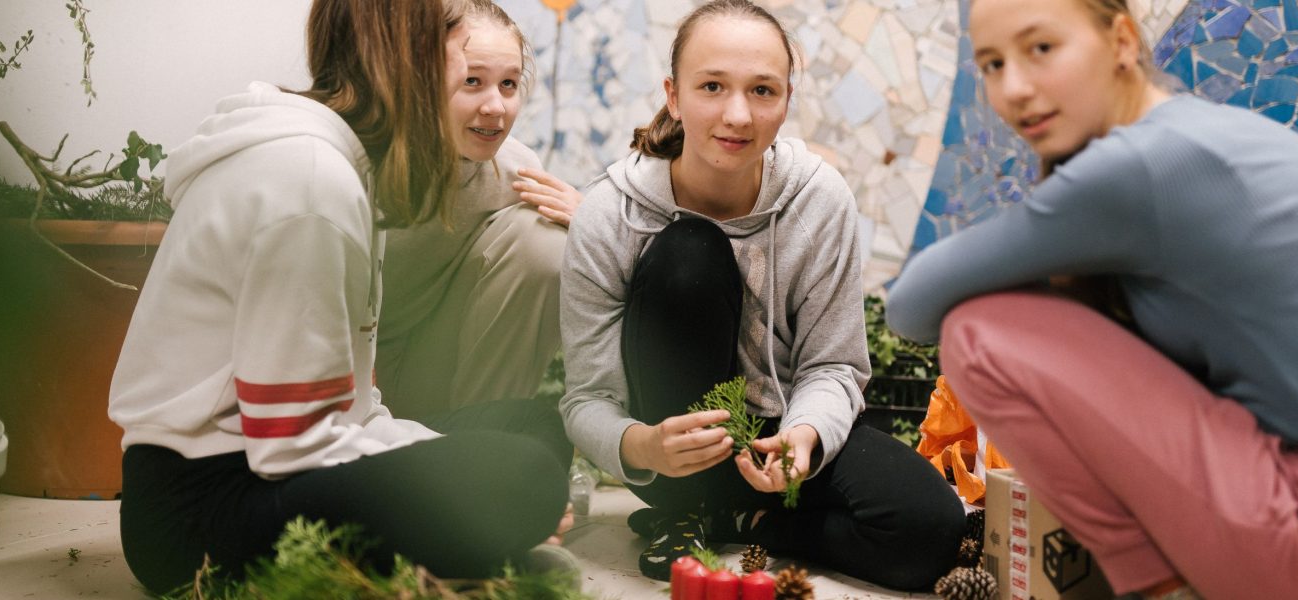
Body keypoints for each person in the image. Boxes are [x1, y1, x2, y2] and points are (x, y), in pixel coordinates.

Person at [886, 0, 1298, 597]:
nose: (1014, 88)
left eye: (1041, 48)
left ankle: (1161, 589)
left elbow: (911, 307)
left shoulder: (1136, 168)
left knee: (978, 334)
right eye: (992, 64)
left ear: (1122, 42)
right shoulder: (1202, 133)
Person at [107, 0, 570, 594]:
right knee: (525, 478)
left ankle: (457, 545)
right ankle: (459, 550)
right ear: (405, 65)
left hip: (263, 463)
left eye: (506, 84)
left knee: (532, 428)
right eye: (463, 71)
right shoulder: (309, 182)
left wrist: (458, 464)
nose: (491, 101)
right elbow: (293, 446)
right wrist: (479, 484)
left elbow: (347, 410)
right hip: (197, 512)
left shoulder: (342, 163)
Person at [559, 0, 964, 590]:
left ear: (787, 101)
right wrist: (642, 446)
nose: (738, 115)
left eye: (763, 91)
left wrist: (805, 436)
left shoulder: (819, 200)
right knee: (690, 250)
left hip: (777, 436)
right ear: (674, 96)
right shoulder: (610, 212)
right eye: (712, 86)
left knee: (931, 530)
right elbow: (587, 399)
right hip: (675, 446)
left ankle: (740, 521)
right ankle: (684, 508)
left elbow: (833, 365)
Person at [377, 0, 583, 450]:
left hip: (430, 373)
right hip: (340, 373)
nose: (495, 107)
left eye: (508, 84)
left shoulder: (517, 171)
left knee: (544, 237)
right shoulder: (365, 159)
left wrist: (593, 225)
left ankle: (481, 443)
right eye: (473, 81)